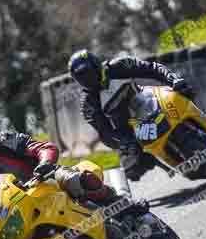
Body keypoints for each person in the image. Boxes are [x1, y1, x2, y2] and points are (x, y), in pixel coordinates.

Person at [0, 119, 148, 214]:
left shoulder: (3, 142)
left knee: (76, 179)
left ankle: (125, 206)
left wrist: (45, 164)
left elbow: (42, 147)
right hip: (23, 210)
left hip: (46, 180)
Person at [67, 49, 196, 182]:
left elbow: (152, 68)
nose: (86, 78)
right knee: (132, 170)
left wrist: (174, 80)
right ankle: (153, 159)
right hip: (130, 131)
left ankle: (201, 116)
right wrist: (123, 142)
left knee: (182, 91)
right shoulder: (88, 104)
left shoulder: (120, 66)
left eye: (87, 72)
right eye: (80, 76)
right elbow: (104, 132)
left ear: (96, 65)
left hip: (151, 103)